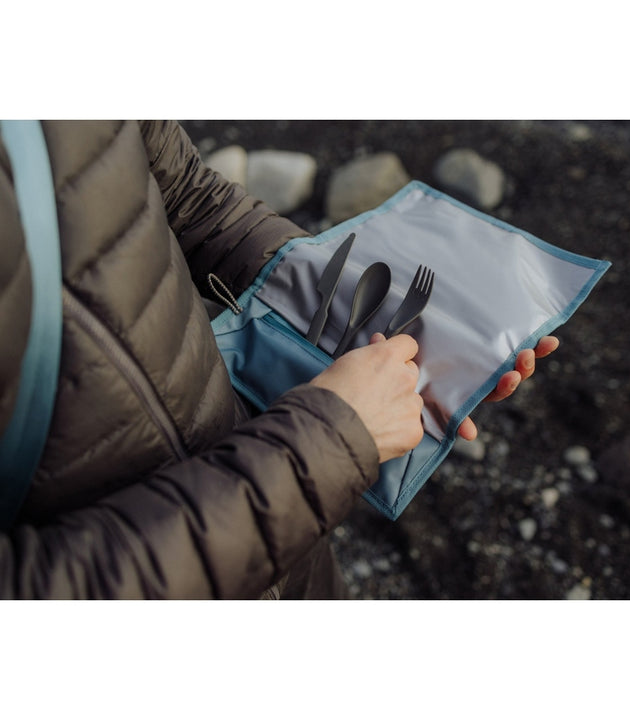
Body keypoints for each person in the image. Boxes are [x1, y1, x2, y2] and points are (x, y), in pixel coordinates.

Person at [0, 120, 558, 599]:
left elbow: (186, 197)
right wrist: (327, 441)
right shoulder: (313, 454)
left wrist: (347, 308)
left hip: (278, 508)